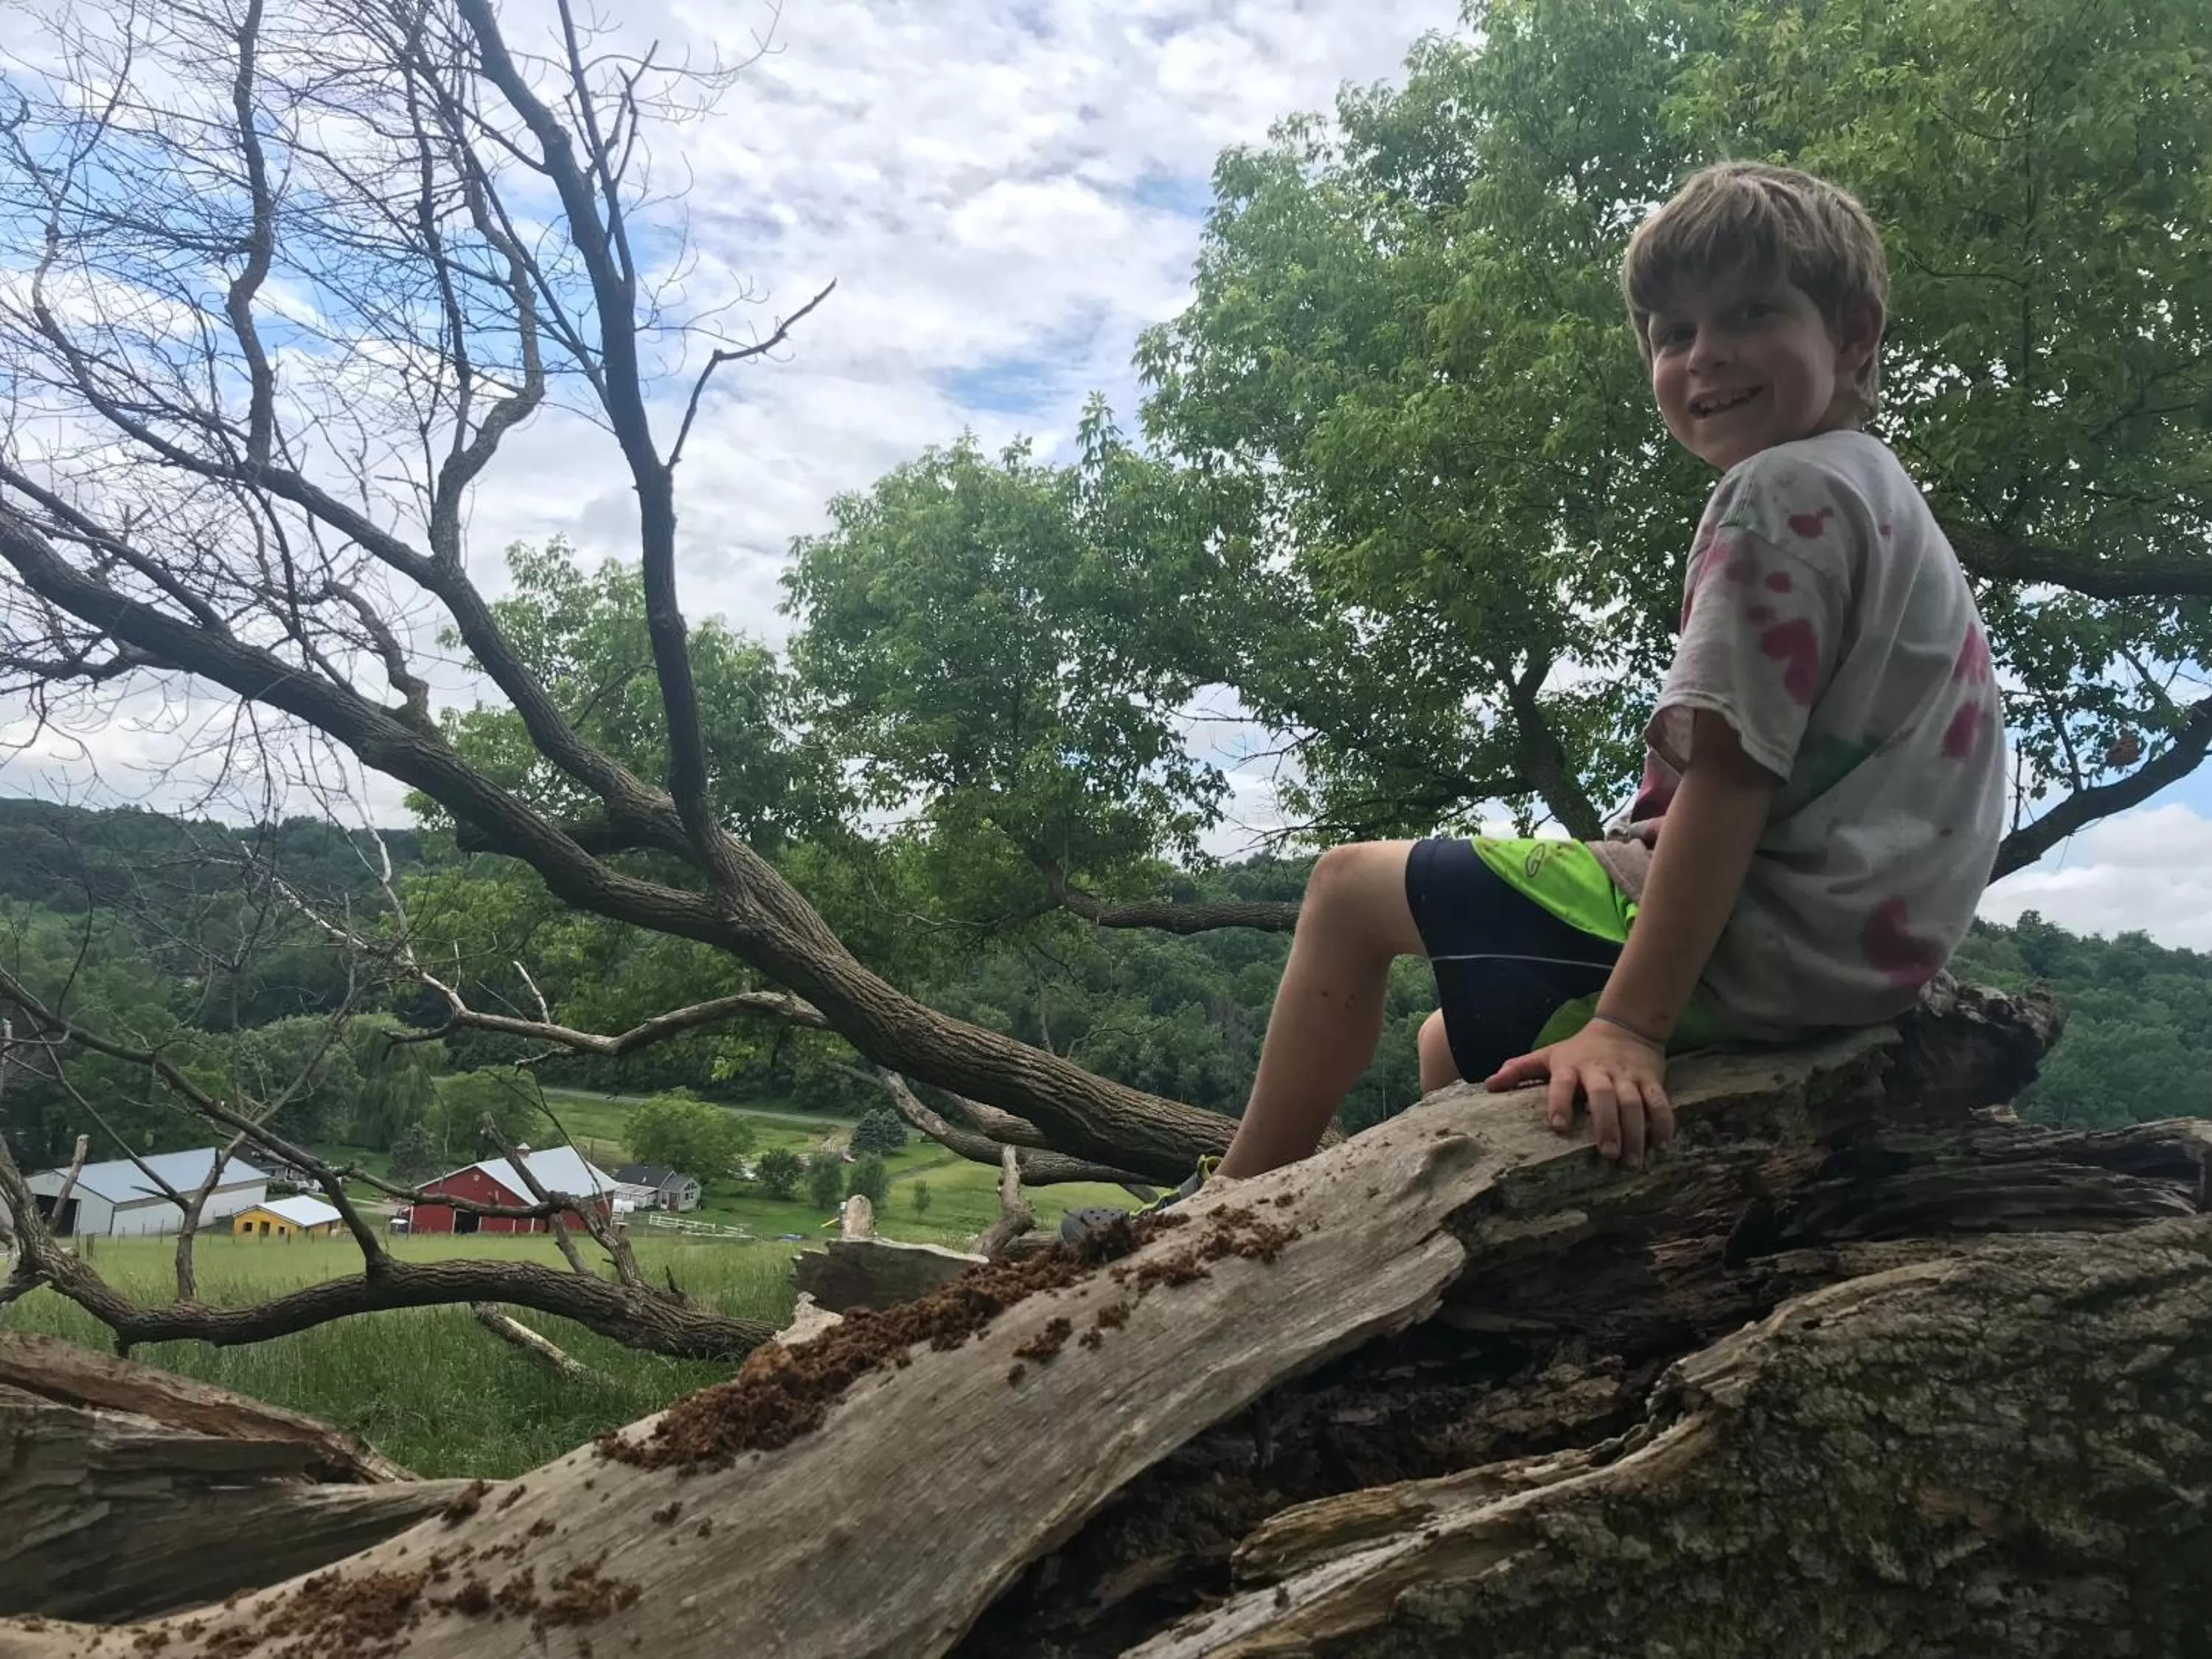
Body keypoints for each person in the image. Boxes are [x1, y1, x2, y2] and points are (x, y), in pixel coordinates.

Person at [1062, 161, 2006, 1241]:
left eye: (1753, 312)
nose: (1706, 355)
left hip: (1769, 933)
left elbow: (1734, 776)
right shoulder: (1878, 489)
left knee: (1347, 893)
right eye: (1673, 330)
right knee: (1446, 1046)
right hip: (1860, 951)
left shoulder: (1778, 493)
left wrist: (1629, 1026)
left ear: (1854, 332)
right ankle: (1477, 1233)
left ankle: (1224, 1211)